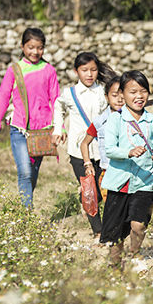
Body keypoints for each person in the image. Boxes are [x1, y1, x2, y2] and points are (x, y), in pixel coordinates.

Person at [99, 70, 153, 267]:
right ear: (122, 94)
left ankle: (134, 256)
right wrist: (129, 152)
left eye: (143, 91)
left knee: (138, 225)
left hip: (145, 182)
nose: (139, 96)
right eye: (133, 92)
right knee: (115, 235)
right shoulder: (115, 120)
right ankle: (116, 269)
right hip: (119, 183)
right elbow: (109, 150)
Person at [0, 27, 60, 209]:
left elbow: (56, 99)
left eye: (39, 48)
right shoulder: (15, 70)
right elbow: (3, 97)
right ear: (22, 46)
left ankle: (25, 202)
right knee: (25, 172)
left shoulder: (49, 71)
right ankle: (26, 215)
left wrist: (59, 128)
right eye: (31, 47)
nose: (35, 52)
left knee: (33, 173)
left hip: (42, 131)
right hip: (19, 128)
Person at [53, 52, 115, 237]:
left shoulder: (104, 92)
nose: (89, 74)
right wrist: (59, 128)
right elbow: (58, 107)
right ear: (76, 71)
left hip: (102, 149)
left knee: (103, 187)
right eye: (84, 70)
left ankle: (104, 220)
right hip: (78, 150)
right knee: (89, 189)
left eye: (94, 70)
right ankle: (98, 231)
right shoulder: (69, 94)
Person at [79, 74, 124, 207]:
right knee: (113, 211)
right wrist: (88, 164)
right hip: (108, 174)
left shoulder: (135, 119)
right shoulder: (100, 121)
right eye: (115, 95)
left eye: (123, 95)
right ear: (106, 97)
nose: (120, 99)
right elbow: (84, 143)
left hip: (130, 174)